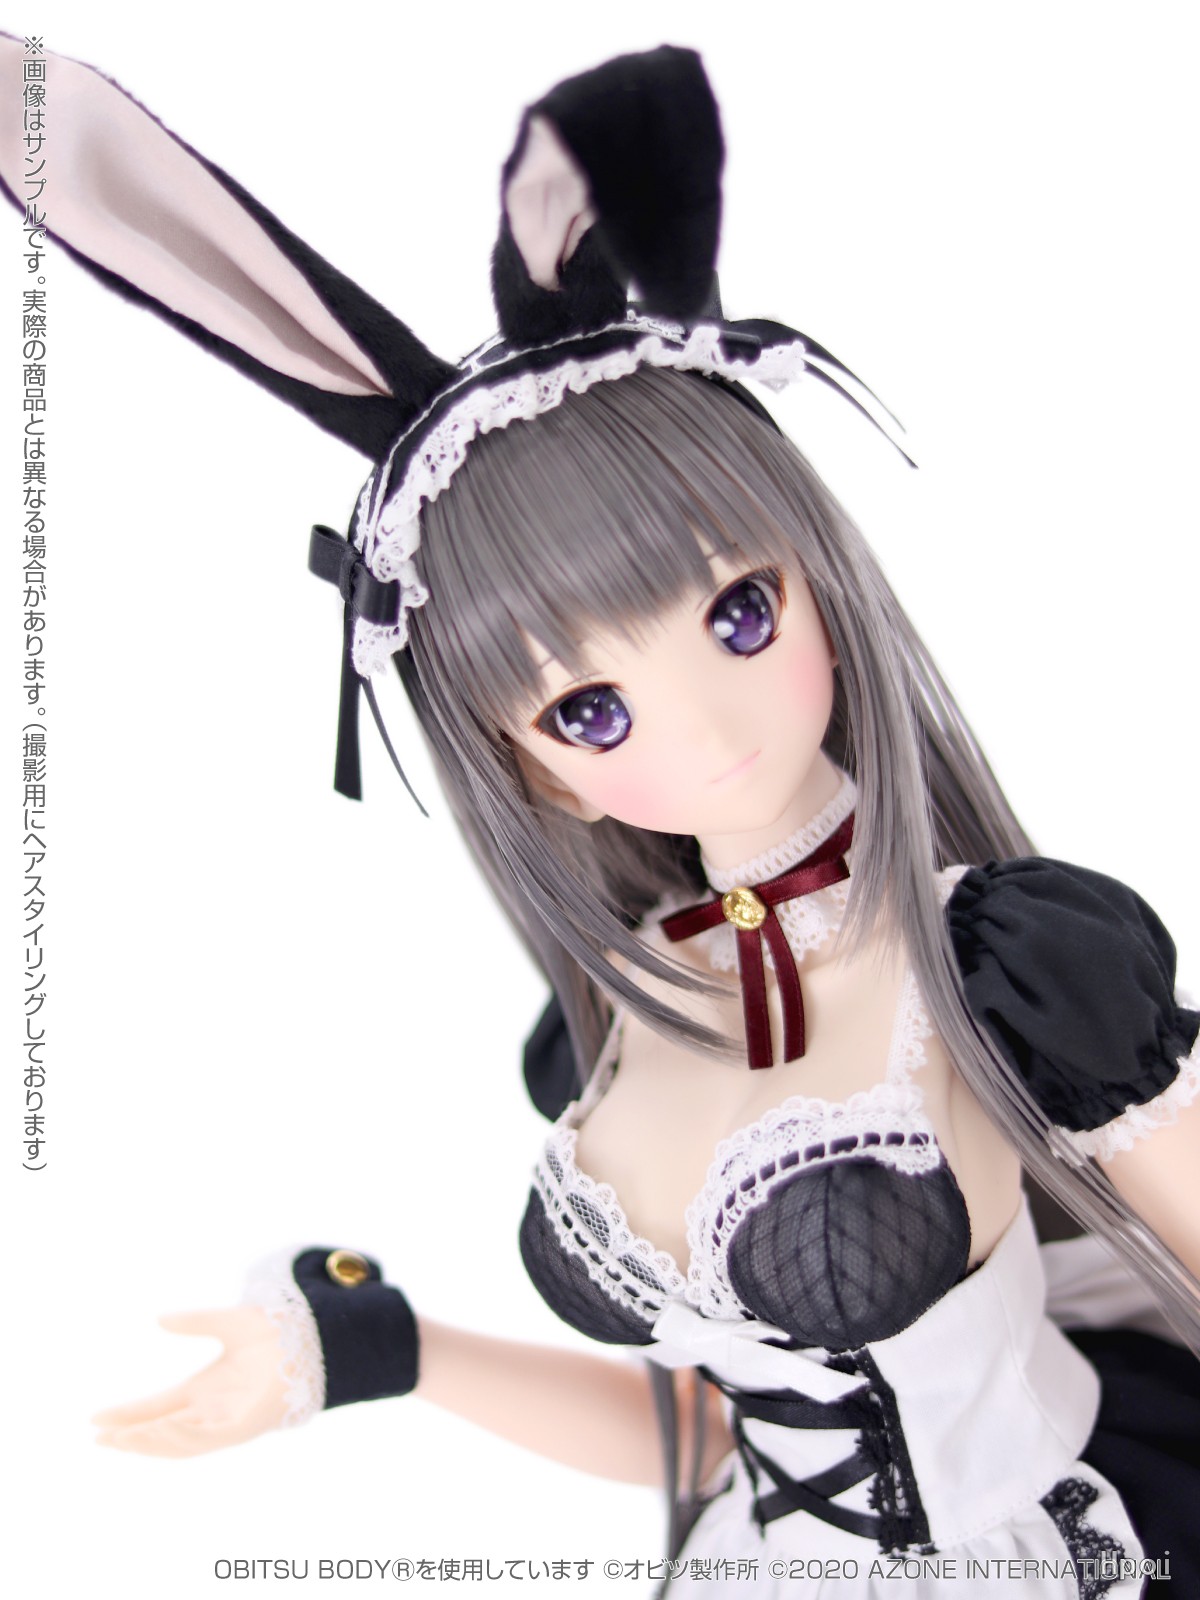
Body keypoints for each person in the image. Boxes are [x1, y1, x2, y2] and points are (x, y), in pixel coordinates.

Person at [5, 33, 1198, 1599]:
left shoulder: (1009, 965)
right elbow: (714, 1440)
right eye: (589, 709)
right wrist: (384, 1356)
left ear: (823, 583)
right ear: (530, 769)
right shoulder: (616, 1020)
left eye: (741, 613)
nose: (703, 727)